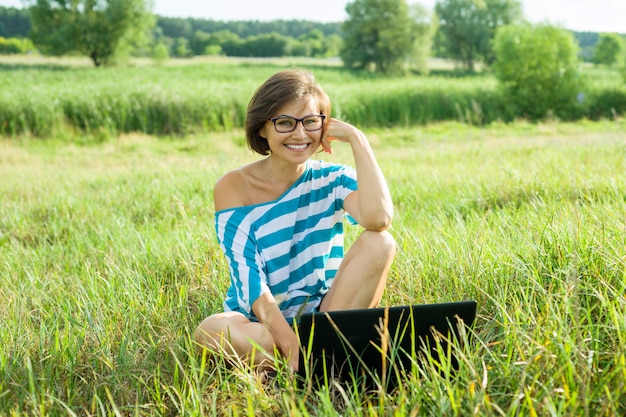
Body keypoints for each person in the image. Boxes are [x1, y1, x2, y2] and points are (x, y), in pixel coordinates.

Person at [194, 68, 396, 373]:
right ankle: (300, 361)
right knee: (210, 331)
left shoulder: (334, 179)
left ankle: (318, 354)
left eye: (311, 122)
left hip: (323, 317)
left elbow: (378, 218)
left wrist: (358, 139)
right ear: (262, 129)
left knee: (380, 241)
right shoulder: (233, 186)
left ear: (324, 126)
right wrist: (287, 340)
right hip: (258, 321)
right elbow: (249, 279)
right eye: (285, 123)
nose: (300, 134)